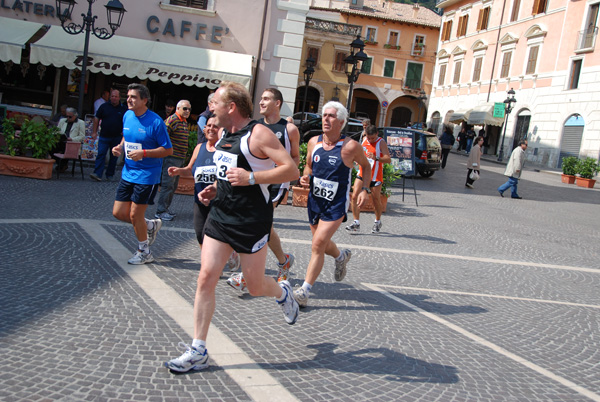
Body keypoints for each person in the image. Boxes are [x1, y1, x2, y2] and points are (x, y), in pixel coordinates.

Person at [164, 82, 300, 373]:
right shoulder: (226, 134)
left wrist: (251, 179)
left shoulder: (258, 133)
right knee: (206, 278)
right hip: (220, 215)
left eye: (215, 102)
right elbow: (229, 173)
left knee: (255, 285)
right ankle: (198, 349)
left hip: (251, 220)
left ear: (231, 107)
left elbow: (291, 169)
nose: (210, 107)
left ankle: (282, 293)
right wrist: (215, 187)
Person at [292, 101, 371, 308]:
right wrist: (305, 177)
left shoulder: (350, 146)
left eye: (331, 116)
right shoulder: (313, 142)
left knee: (317, 244)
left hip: (336, 204)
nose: (326, 119)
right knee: (323, 244)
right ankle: (341, 256)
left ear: (342, 122)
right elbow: (308, 166)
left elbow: (365, 166)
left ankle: (304, 291)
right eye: (324, 115)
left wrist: (363, 189)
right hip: (315, 201)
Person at [226, 88, 300, 292]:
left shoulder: (289, 129)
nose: (261, 102)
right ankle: (283, 260)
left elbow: (295, 159)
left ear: (278, 103)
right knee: (264, 227)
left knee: (255, 222)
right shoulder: (254, 127)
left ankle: (247, 273)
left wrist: (279, 169)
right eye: (260, 98)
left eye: (266, 98)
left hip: (276, 184)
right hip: (253, 181)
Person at [111, 83, 173, 265]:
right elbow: (126, 136)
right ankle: (150, 224)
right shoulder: (127, 115)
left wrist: (144, 153)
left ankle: (144, 251)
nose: (129, 99)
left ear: (144, 100)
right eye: (128, 96)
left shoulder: (155, 122)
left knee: (134, 215)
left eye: (134, 97)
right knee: (118, 212)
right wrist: (120, 147)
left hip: (147, 175)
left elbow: (167, 150)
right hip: (128, 172)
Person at [346, 124, 391, 234]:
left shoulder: (381, 142)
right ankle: (356, 222)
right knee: (355, 195)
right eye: (369, 138)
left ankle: (377, 221)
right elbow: (360, 154)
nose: (370, 140)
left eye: (373, 138)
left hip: (375, 175)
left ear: (377, 134)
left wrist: (376, 158)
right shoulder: (364, 140)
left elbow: (388, 159)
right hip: (362, 173)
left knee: (376, 199)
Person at [154, 100, 191, 221]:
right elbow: (162, 136)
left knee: (173, 186)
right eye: (185, 108)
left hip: (178, 159)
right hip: (171, 158)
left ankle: (165, 208)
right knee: (167, 185)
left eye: (189, 109)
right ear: (178, 108)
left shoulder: (183, 122)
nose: (187, 111)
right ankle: (160, 211)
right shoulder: (172, 120)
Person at [90, 89, 128, 182]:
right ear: (110, 97)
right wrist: (94, 132)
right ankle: (97, 173)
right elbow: (96, 118)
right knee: (101, 154)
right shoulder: (104, 106)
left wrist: (125, 131)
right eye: (112, 96)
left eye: (116, 96)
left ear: (119, 98)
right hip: (104, 135)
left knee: (114, 157)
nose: (114, 98)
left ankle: (109, 174)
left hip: (117, 136)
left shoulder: (124, 109)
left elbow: (128, 121)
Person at [54, 107, 86, 172]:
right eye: (67, 116)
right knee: (52, 147)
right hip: (61, 141)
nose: (68, 118)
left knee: (64, 147)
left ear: (75, 116)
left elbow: (82, 136)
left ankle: (62, 165)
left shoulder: (80, 123)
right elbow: (57, 130)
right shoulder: (63, 120)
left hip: (72, 144)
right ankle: (62, 164)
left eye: (70, 117)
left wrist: (72, 139)